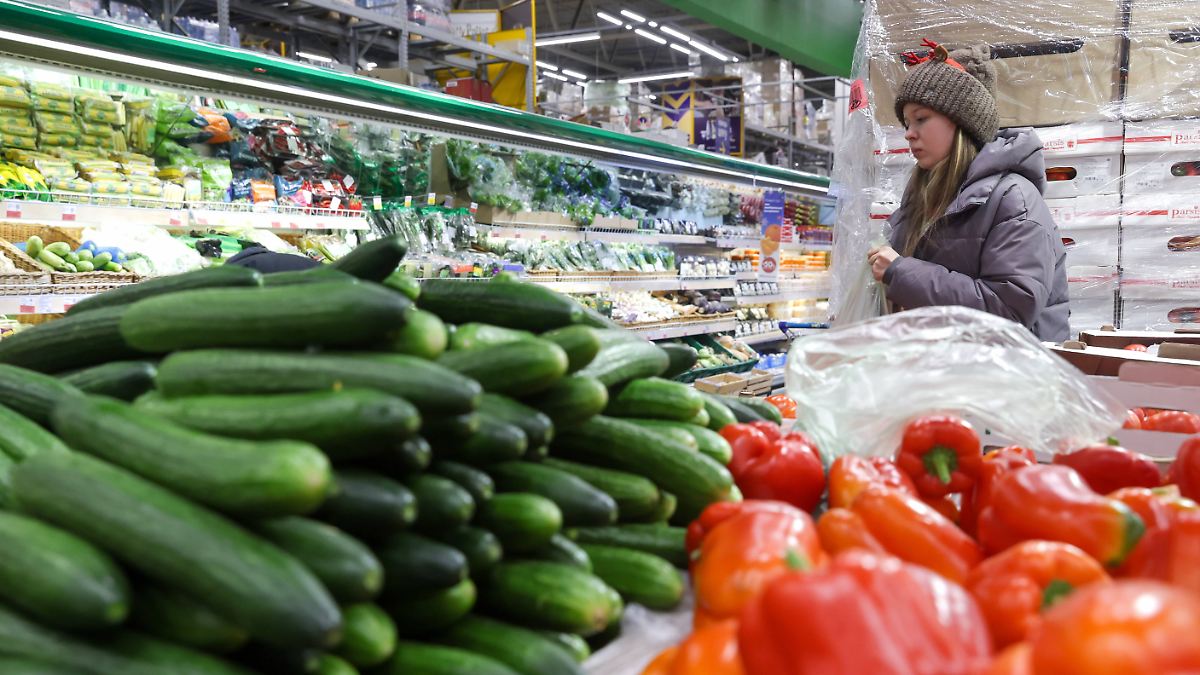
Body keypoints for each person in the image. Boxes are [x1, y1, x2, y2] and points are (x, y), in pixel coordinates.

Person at [867, 40, 1070, 342]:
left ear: (964, 123)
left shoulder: (1014, 200)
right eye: (907, 122)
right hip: (942, 376)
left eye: (921, 119)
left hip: (1003, 380)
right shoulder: (920, 202)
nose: (909, 132)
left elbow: (1009, 311)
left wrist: (900, 272)